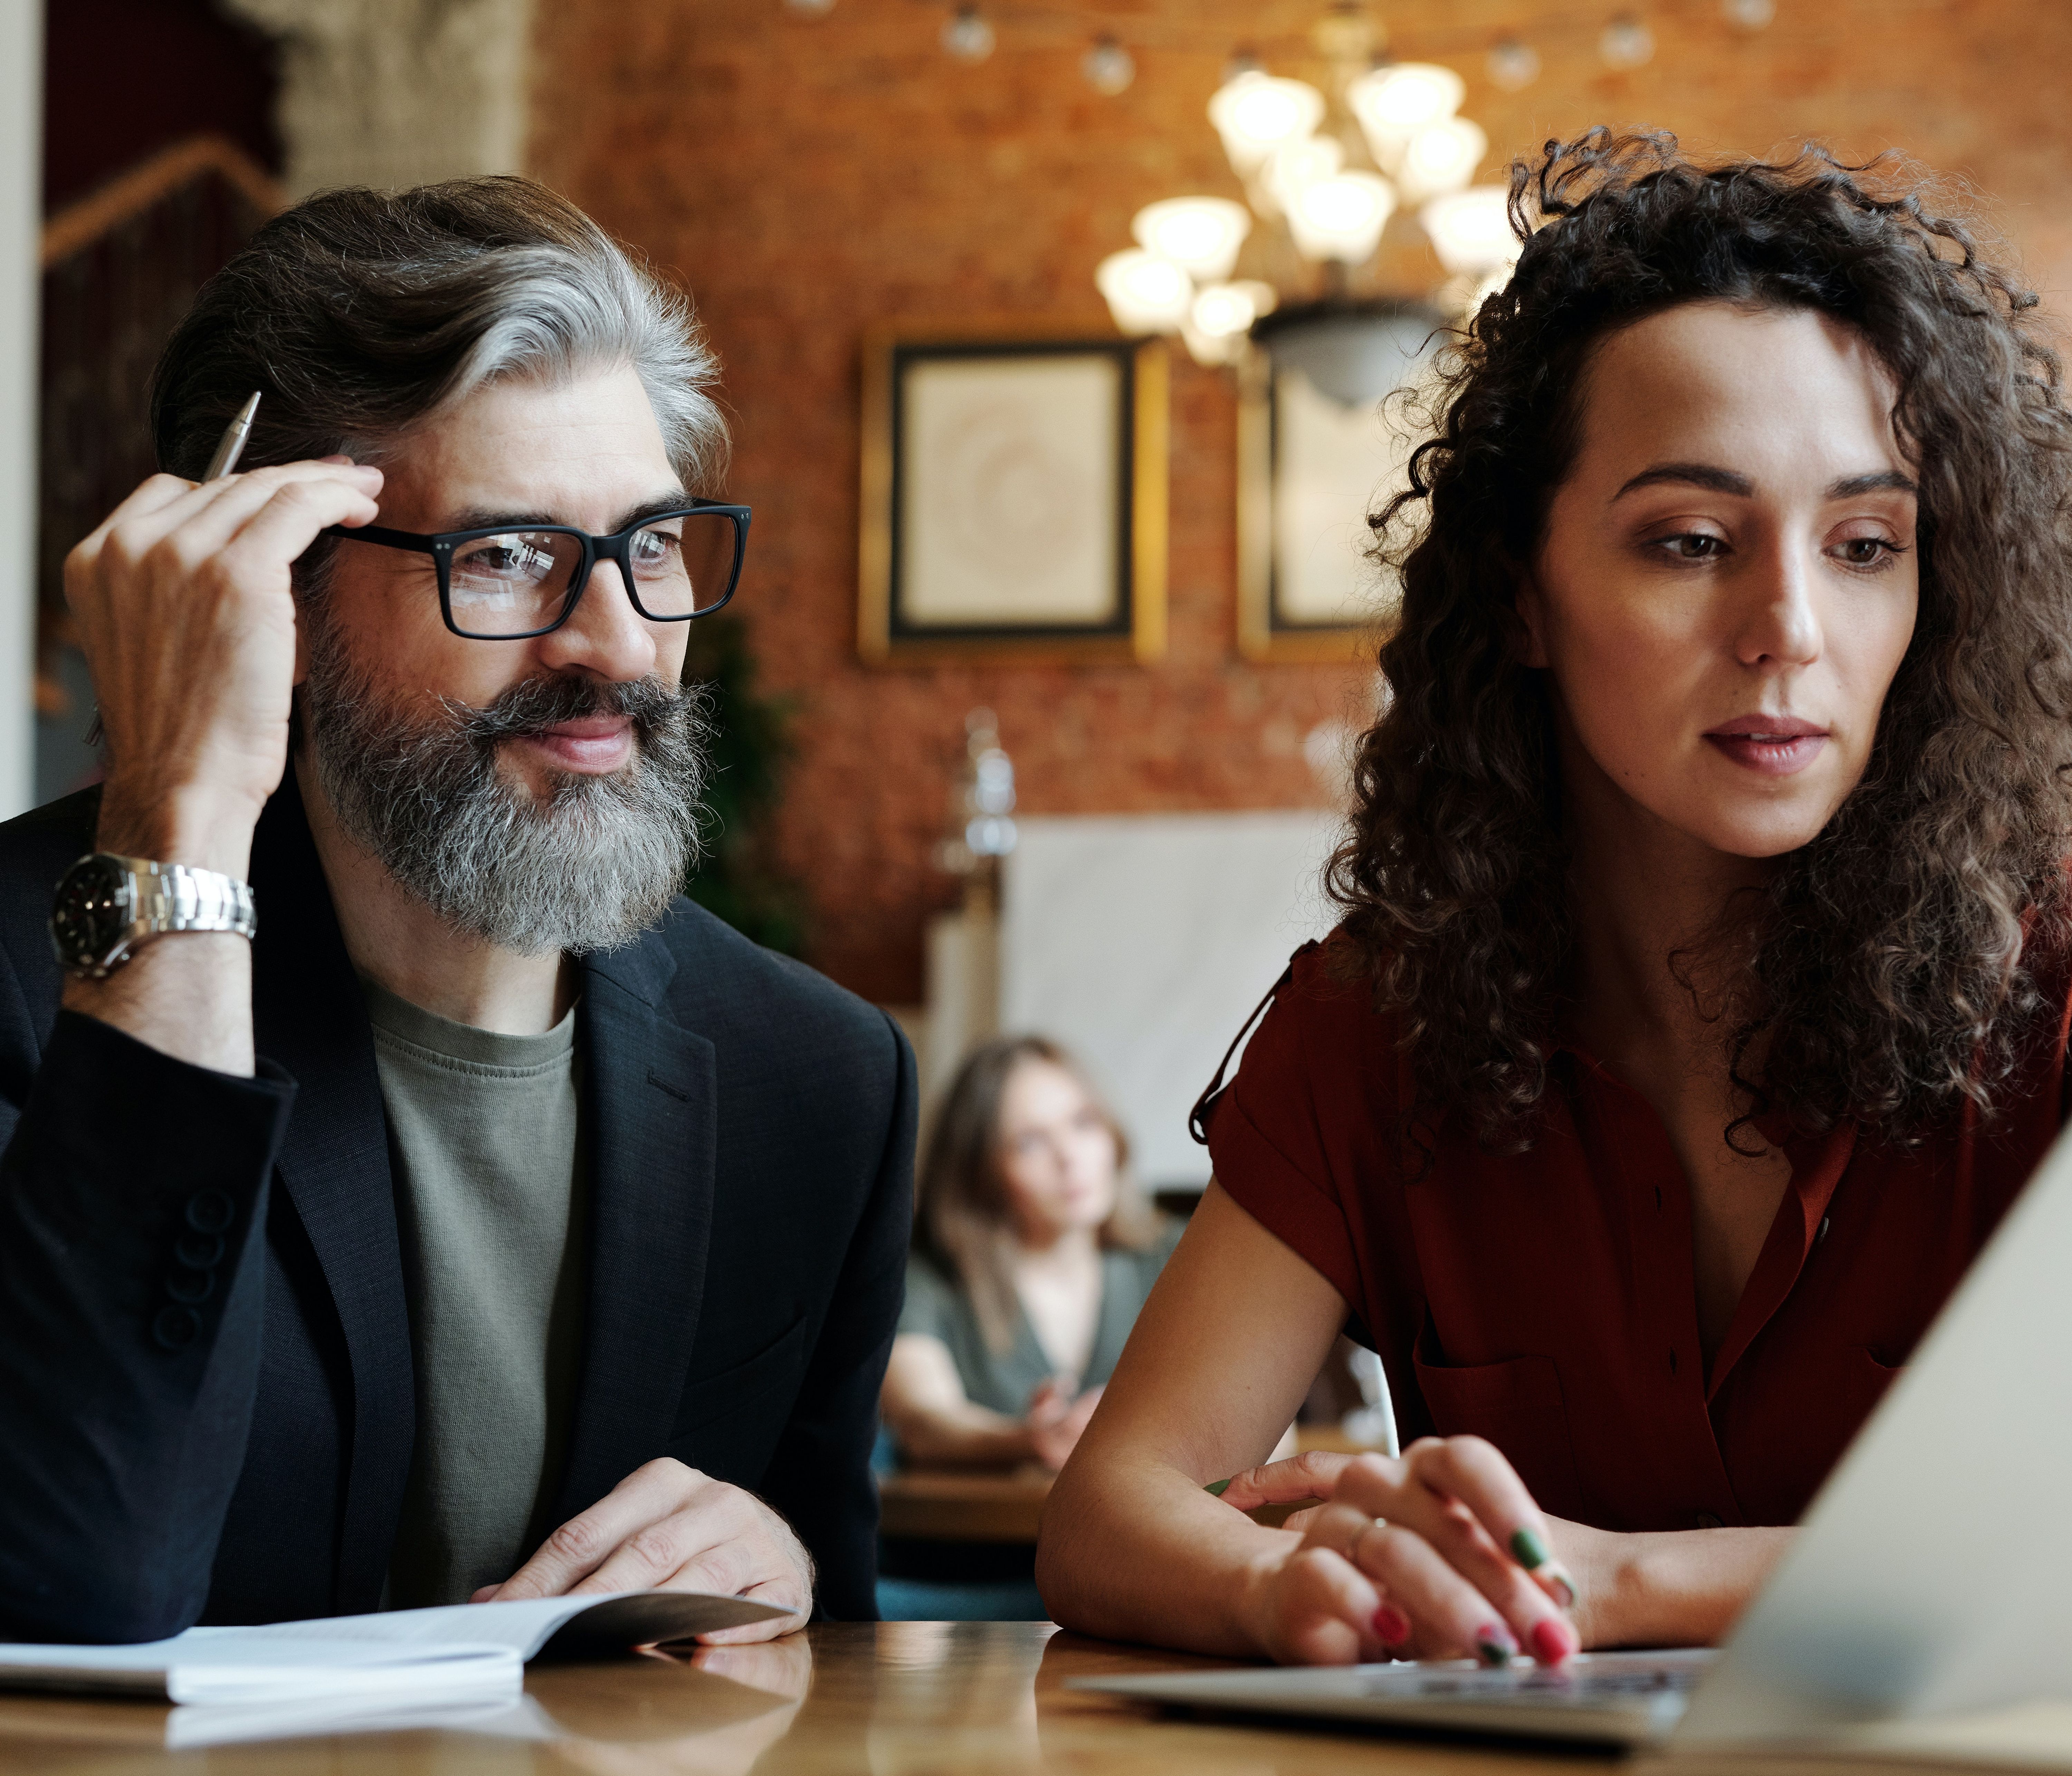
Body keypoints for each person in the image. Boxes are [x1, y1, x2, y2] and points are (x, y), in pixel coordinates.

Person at [1038, 132, 2072, 1668]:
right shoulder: (1373, 1024)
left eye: (1865, 546)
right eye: (1690, 542)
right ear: (1520, 593)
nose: (1786, 626)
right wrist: (1297, 1584)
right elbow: (1114, 1510)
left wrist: (1622, 1583)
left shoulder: (2046, 990)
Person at [0, 177, 914, 1643]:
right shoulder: (31, 987)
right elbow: (61, 1592)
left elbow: (842, 1661)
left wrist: (784, 1582)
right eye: (502, 554)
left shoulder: (815, 1076)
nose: (617, 641)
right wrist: (176, 821)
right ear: (270, 599)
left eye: (655, 544)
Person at [882, 1037, 1177, 1471]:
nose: (1069, 1157)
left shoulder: (1175, 1254)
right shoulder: (928, 1276)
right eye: (1030, 1142)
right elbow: (923, 1422)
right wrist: (1027, 1440)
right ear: (978, 1171)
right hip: (978, 1537)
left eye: (1083, 1123)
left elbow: (1269, 1426)